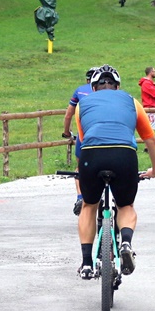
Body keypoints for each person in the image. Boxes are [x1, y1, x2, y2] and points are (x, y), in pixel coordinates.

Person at [74, 65, 155, 279]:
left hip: (92, 155)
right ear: (118, 87)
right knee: (125, 205)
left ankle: (86, 264)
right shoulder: (132, 101)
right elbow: (150, 140)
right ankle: (125, 243)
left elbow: (83, 140)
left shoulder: (82, 104)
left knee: (89, 205)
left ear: (93, 88)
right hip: (124, 154)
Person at [62, 66, 98, 216]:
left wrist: (66, 132)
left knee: (80, 168)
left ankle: (80, 197)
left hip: (84, 136)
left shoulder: (80, 91)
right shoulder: (111, 92)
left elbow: (68, 115)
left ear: (87, 80)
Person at [138, 66, 155, 135]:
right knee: (150, 128)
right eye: (154, 71)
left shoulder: (151, 83)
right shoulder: (146, 83)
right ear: (151, 72)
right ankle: (150, 142)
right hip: (151, 108)